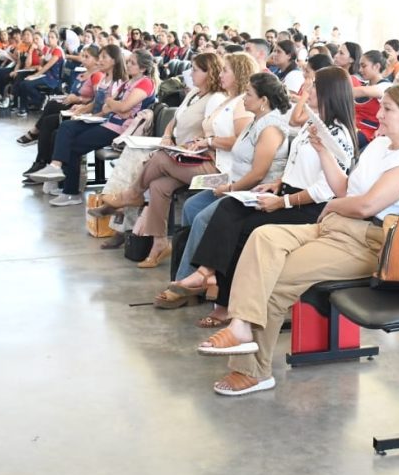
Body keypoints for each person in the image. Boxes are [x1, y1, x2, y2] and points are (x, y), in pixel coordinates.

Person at [195, 82, 399, 397]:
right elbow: (345, 189)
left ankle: (253, 372)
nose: (378, 114)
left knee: (275, 280)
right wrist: (324, 153)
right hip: (338, 227)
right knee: (263, 238)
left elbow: (365, 205)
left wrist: (334, 207)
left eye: (387, 109)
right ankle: (241, 325)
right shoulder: (380, 146)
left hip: (369, 241)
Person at [162, 66, 357, 321]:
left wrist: (281, 202)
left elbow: (324, 190)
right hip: (287, 194)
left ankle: (225, 303)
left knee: (243, 229)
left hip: (308, 207)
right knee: (228, 208)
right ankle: (205, 272)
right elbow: (297, 164)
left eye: (314, 86)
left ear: (329, 92)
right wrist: (277, 183)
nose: (307, 90)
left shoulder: (338, 135)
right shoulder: (314, 122)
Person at [95, 53, 233, 267]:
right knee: (159, 185)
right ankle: (159, 243)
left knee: (158, 159)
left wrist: (193, 144)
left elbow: (212, 132)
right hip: (181, 155)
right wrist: (168, 136)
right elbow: (175, 120)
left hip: (203, 161)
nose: (190, 73)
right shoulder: (194, 93)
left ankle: (131, 194)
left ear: (209, 73)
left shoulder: (215, 98)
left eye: (196, 69)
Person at [27, 49, 157, 206]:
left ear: (142, 68)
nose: (128, 64)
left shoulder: (145, 82)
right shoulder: (128, 83)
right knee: (67, 127)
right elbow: (108, 105)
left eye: (132, 63)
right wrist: (113, 106)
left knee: (73, 146)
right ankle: (57, 168)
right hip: (112, 122)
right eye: (128, 61)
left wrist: (115, 105)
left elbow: (123, 107)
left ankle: (70, 191)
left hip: (122, 129)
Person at [351, 50, 392, 144]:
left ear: (376, 66)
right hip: (356, 129)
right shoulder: (364, 85)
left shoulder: (386, 86)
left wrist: (336, 92)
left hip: (371, 134)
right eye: (360, 66)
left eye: (364, 66)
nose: (360, 70)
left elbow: (363, 91)